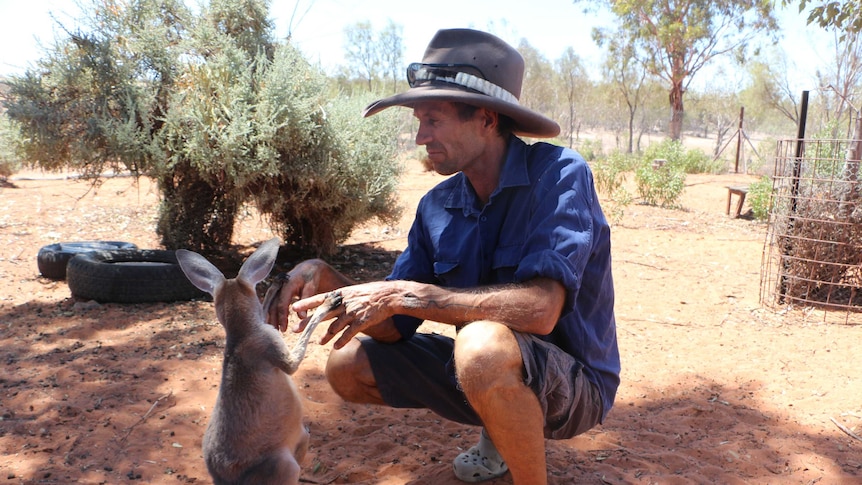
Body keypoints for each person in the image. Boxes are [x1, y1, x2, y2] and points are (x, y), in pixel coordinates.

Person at [265, 28, 620, 485]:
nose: (419, 137)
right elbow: (394, 328)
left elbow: (541, 309)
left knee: (480, 347)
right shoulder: (437, 206)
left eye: (433, 119)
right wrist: (327, 278)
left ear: (487, 119)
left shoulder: (559, 175)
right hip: (488, 366)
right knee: (348, 366)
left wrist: (412, 295)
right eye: (419, 121)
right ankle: (502, 428)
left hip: (576, 386)